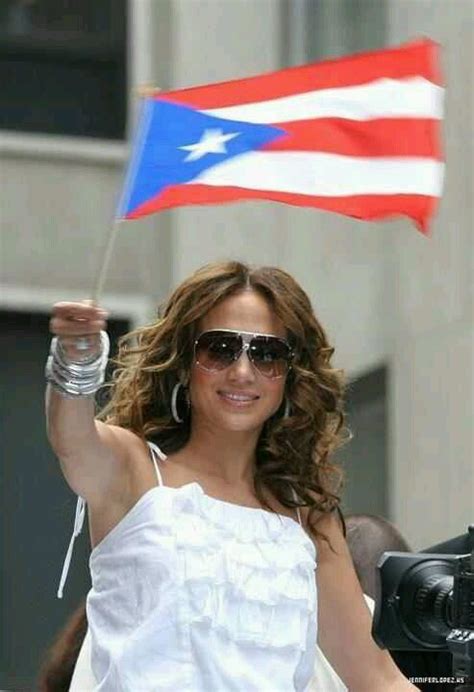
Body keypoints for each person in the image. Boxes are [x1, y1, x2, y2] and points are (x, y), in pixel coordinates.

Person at [44, 260, 418, 691]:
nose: (242, 371)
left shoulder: (306, 517)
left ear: (289, 375)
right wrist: (76, 362)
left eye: (266, 354)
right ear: (185, 362)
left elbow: (378, 678)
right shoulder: (134, 470)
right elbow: (70, 437)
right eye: (220, 349)